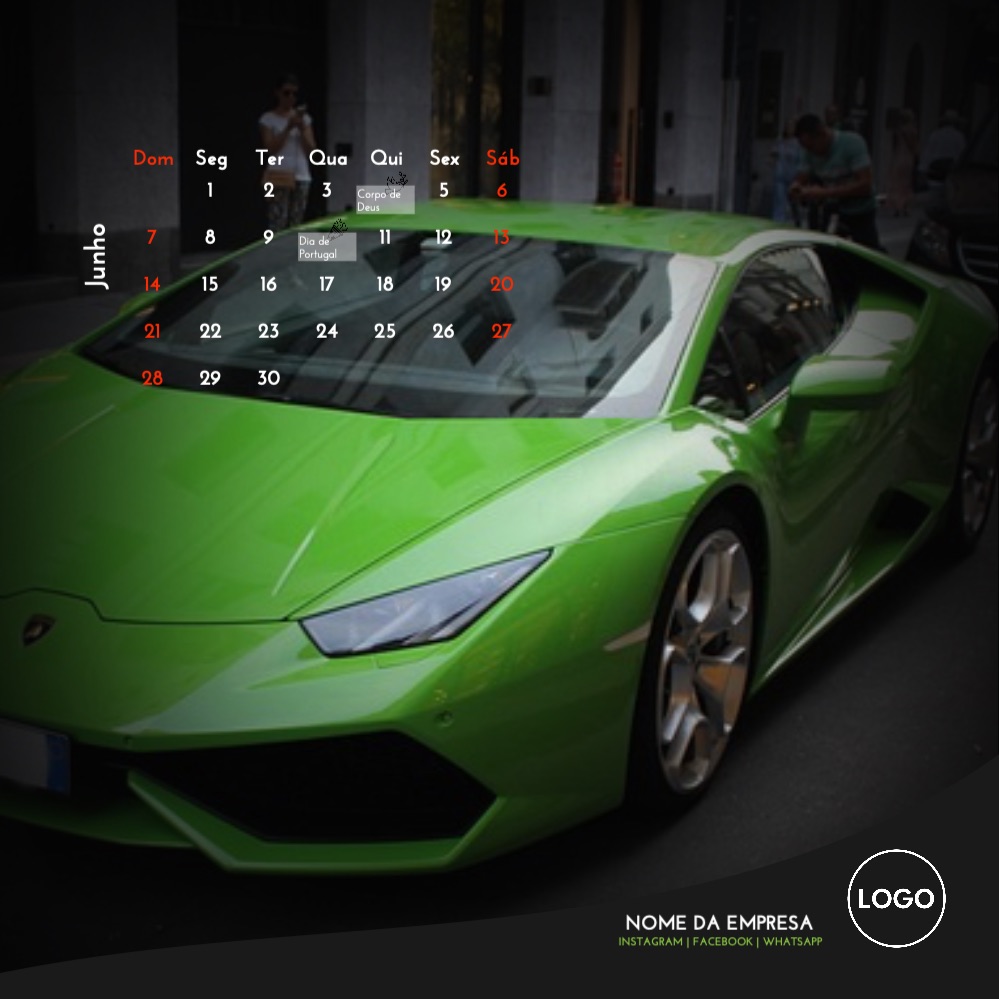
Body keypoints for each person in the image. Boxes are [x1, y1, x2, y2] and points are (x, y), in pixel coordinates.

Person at [789, 112, 881, 250]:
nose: (811, 152)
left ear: (821, 134)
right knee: (829, 249)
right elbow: (802, 175)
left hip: (860, 209)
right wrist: (796, 187)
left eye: (812, 147)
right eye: (806, 148)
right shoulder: (808, 152)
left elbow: (865, 185)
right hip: (834, 210)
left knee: (867, 249)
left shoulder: (852, 144)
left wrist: (824, 193)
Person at [258, 73, 316, 229]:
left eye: (294, 94)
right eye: (286, 93)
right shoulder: (268, 119)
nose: (290, 98)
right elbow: (270, 148)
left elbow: (312, 151)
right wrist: (288, 128)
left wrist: (302, 128)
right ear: (277, 93)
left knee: (296, 222)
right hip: (279, 173)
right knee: (278, 220)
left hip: (301, 174)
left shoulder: (304, 119)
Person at [917, 110, 966, 188]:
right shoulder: (959, 137)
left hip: (936, 176)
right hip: (950, 175)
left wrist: (922, 170)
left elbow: (927, 154)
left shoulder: (935, 135)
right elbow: (962, 155)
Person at [886, 108, 919, 216]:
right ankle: (904, 206)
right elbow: (913, 146)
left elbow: (895, 146)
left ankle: (896, 206)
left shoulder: (898, 131)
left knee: (896, 183)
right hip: (907, 158)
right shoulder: (912, 130)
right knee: (906, 183)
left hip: (898, 158)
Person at [770, 117, 800, 223]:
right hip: (780, 176)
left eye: (791, 126)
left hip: (794, 176)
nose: (789, 129)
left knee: (795, 204)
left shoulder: (799, 143)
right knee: (779, 202)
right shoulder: (780, 142)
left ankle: (797, 222)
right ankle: (778, 222)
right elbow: (773, 155)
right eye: (787, 126)